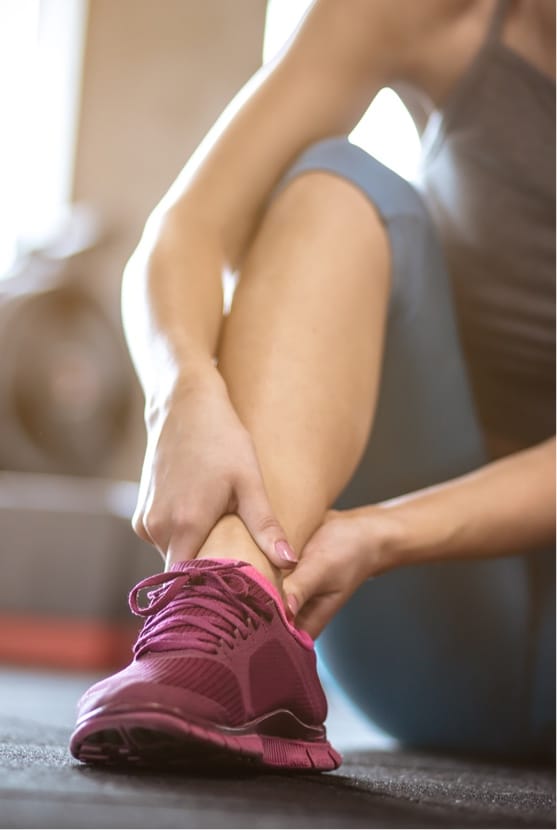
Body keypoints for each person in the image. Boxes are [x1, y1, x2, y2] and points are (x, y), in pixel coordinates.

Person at [69, 0, 555, 770]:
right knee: (336, 179)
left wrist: (381, 532)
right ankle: (231, 607)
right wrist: (184, 390)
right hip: (440, 629)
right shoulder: (421, 14)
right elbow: (188, 226)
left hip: (407, 553)